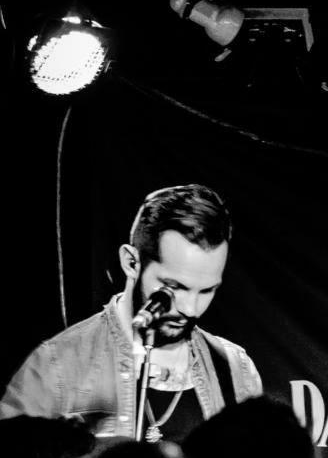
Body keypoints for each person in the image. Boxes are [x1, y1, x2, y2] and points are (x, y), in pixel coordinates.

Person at [2, 184, 261, 444]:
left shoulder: (236, 369)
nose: (189, 308)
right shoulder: (57, 366)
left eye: (206, 291)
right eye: (174, 287)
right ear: (131, 262)